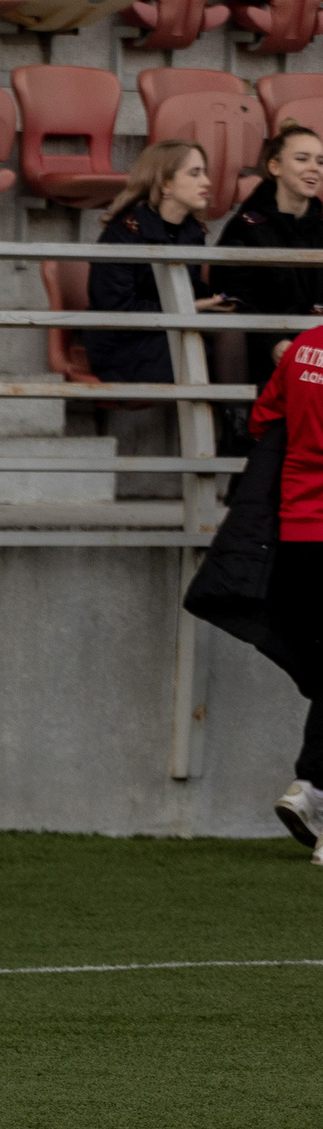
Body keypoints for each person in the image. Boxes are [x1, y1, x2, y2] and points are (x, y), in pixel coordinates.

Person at [191, 314, 323, 861]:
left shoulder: (307, 347)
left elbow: (265, 418)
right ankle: (312, 788)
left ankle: (313, 789)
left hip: (296, 534)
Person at [83, 139, 233, 387]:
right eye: (195, 173)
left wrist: (214, 300)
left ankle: (239, 411)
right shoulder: (124, 233)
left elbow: (189, 287)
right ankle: (236, 412)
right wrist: (191, 307)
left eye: (205, 172)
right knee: (212, 347)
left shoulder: (192, 231)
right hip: (123, 346)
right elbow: (119, 312)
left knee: (238, 331)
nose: (207, 182)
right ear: (165, 184)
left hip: (169, 331)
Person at [212, 123, 323, 395]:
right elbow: (232, 299)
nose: (314, 168)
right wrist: (273, 342)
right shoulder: (245, 228)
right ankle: (238, 419)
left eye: (320, 161)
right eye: (302, 159)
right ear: (275, 166)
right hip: (262, 352)